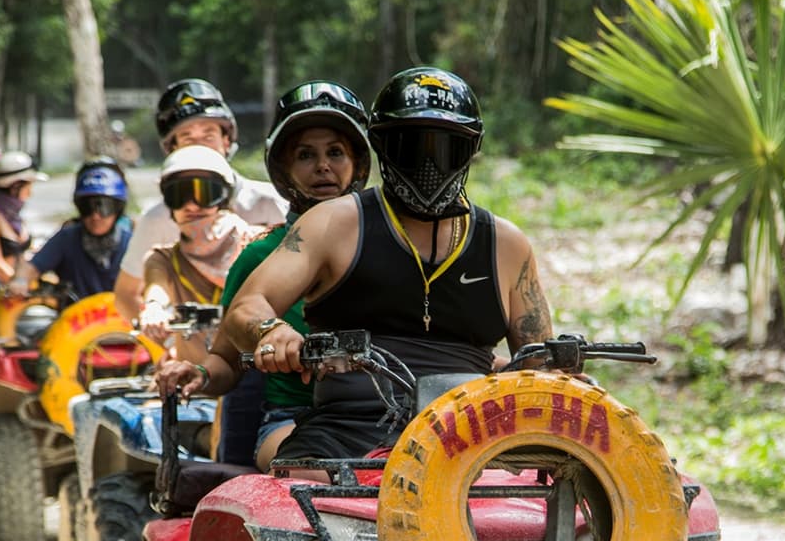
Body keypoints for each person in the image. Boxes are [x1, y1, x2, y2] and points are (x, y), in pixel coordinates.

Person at [221, 67, 554, 464]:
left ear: (471, 149)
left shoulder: (507, 245)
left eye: (445, 147)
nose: (429, 163)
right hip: (346, 433)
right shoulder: (332, 223)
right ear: (381, 146)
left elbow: (538, 367)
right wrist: (271, 330)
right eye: (411, 147)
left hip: (473, 438)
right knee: (302, 489)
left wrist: (563, 381)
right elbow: (247, 307)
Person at [155, 81, 371, 469]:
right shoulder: (259, 256)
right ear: (285, 171)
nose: (323, 165)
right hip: (296, 422)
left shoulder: (393, 246)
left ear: (357, 164)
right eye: (306, 155)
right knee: (323, 471)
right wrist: (199, 374)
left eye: (335, 153)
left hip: (390, 418)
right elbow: (227, 358)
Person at [113, 78, 287, 325]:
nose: (192, 207)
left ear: (226, 140)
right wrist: (165, 348)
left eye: (208, 135)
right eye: (187, 138)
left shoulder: (270, 205)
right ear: (171, 151)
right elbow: (129, 292)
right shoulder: (157, 223)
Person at [137, 145, 270, 365]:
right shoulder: (163, 259)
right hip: (198, 387)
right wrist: (153, 308)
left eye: (204, 193)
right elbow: (156, 288)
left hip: (256, 379)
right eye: (179, 195)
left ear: (223, 198)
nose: (191, 206)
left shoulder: (257, 244)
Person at [9, 157, 133, 300]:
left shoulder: (131, 243)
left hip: (119, 321)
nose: (96, 216)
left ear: (118, 210)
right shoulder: (66, 238)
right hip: (73, 320)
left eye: (104, 208)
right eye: (87, 207)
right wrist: (20, 280)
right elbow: (32, 267)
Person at [0, 150, 48, 285]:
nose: (30, 192)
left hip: (18, 285)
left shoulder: (13, 215)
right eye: (28, 186)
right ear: (15, 186)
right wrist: (24, 285)